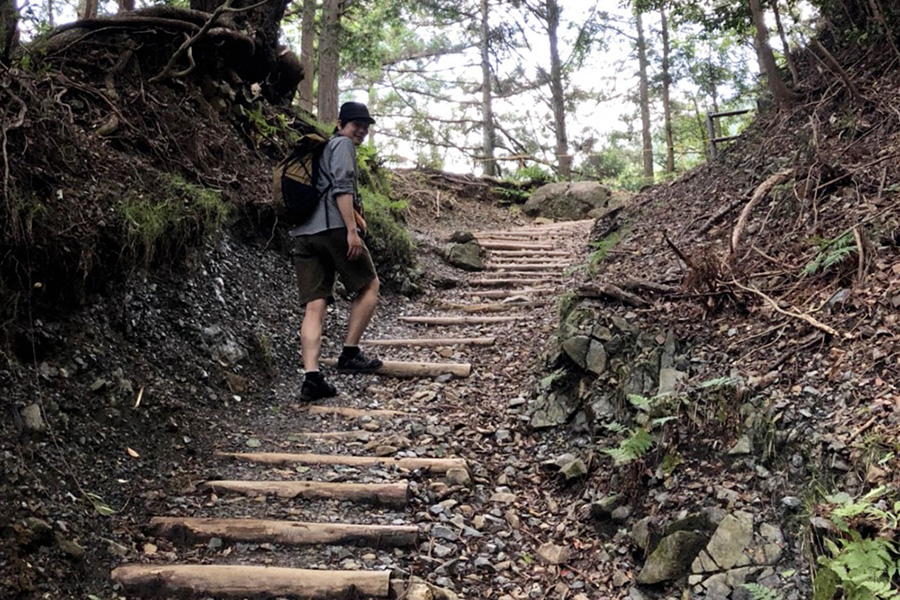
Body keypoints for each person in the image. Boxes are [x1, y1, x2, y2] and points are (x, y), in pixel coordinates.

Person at [289, 101, 383, 401]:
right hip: (333, 228)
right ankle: (350, 354)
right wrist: (352, 232)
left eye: (366, 126)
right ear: (341, 124)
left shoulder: (321, 150)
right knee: (369, 285)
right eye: (357, 124)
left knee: (315, 305)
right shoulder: (341, 145)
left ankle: (312, 377)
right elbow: (342, 189)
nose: (362, 130)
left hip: (304, 232)